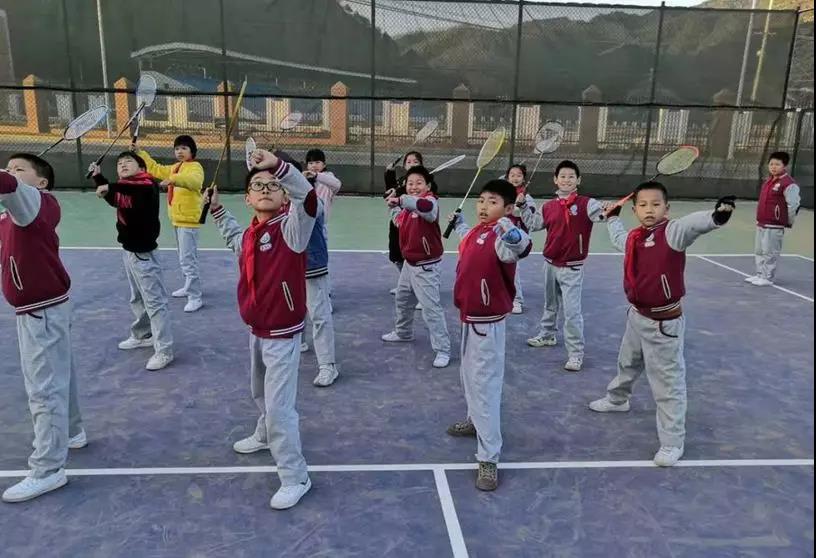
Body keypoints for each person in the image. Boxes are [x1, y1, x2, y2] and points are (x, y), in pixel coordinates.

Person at [588, 181, 736, 467]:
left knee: (668, 384)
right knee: (627, 363)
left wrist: (716, 216)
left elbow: (692, 225)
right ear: (634, 210)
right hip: (636, 316)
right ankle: (618, 399)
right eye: (643, 205)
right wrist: (614, 218)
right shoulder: (635, 237)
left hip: (663, 324)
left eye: (656, 204)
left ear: (666, 209)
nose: (649, 210)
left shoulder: (672, 232)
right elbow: (620, 240)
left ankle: (672, 442)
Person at [207, 148, 317, 509]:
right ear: (247, 198)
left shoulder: (292, 229)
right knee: (259, 392)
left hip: (283, 333)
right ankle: (265, 433)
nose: (266, 189)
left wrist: (280, 168)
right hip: (256, 328)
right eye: (258, 185)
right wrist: (217, 211)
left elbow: (308, 198)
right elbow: (234, 239)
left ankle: (295, 476)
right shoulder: (252, 234)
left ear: (285, 196)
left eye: (273, 185)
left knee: (280, 409)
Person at [1, 154, 85, 503]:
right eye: (9, 166)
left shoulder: (35, 203)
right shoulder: (14, 213)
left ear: (42, 182)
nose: (11, 171)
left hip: (41, 310)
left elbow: (5, 183)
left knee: (44, 389)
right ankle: (73, 431)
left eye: (19, 168)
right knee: (60, 374)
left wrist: (8, 178)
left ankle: (48, 469)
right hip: (44, 307)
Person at [446, 179, 532, 491]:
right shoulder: (477, 232)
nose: (483, 206)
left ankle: (489, 458)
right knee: (469, 378)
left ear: (507, 209)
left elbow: (519, 247)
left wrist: (512, 231)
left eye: (492, 202)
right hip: (469, 319)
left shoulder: (501, 235)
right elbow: (469, 243)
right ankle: (474, 422)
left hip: (487, 323)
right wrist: (460, 224)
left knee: (485, 388)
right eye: (481, 200)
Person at [517, 161, 605, 371]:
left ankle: (575, 354)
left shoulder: (587, 203)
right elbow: (534, 224)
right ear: (555, 180)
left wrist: (608, 210)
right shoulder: (548, 206)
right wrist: (522, 207)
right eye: (563, 176)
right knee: (550, 305)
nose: (567, 180)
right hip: (549, 264)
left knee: (572, 314)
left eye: (571, 176)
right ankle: (547, 335)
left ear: (578, 180)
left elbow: (600, 215)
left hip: (572, 268)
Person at [89, 152, 174, 371]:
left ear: (142, 168)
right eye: (119, 163)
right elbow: (115, 196)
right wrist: (99, 177)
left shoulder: (147, 186)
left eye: (128, 161)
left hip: (143, 254)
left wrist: (107, 187)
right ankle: (143, 334)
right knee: (137, 298)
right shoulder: (126, 186)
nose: (123, 164)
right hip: (129, 252)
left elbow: (126, 195)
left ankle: (164, 350)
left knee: (155, 303)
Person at [381, 165, 451, 368]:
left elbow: (426, 209)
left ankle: (443, 349)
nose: (414, 186)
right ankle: (403, 332)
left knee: (431, 310)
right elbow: (399, 222)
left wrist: (401, 199)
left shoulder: (430, 202)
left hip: (426, 266)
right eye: (410, 183)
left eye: (419, 183)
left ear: (428, 186)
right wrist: (393, 206)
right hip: (409, 264)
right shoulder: (407, 208)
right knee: (403, 299)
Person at [135, 135, 205, 312]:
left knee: (188, 260)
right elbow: (155, 169)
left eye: (184, 148)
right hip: (177, 219)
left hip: (189, 221)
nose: (180, 151)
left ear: (192, 151)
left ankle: (195, 296)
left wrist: (173, 180)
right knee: (183, 257)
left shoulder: (195, 167)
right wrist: (140, 153)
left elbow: (194, 181)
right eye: (177, 149)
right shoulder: (176, 167)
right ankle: (188, 287)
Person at [747, 151, 801, 287]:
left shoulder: (788, 184)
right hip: (762, 223)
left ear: (784, 166)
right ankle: (760, 274)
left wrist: (788, 221)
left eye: (777, 164)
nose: (773, 167)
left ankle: (767, 277)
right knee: (759, 250)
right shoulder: (768, 181)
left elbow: (793, 205)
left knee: (770, 252)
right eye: (771, 164)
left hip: (775, 224)